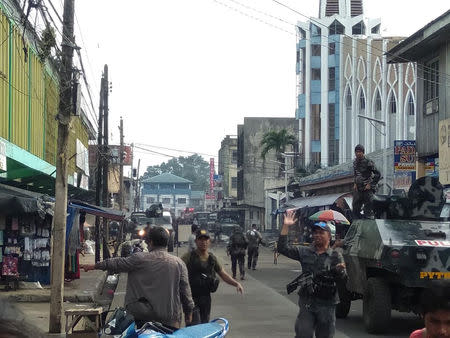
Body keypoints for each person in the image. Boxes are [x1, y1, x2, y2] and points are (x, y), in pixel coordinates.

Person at [81, 226, 194, 328]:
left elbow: (116, 263)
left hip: (141, 316)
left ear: (151, 242)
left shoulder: (139, 259)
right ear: (167, 243)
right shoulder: (179, 263)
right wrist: (188, 312)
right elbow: (186, 292)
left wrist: (94, 266)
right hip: (169, 318)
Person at [278, 210, 347, 338]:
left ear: (329, 236)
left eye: (321, 232)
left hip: (327, 304)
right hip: (307, 302)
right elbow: (283, 248)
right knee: (303, 333)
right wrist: (286, 226)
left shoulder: (336, 256)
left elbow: (343, 279)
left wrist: (339, 271)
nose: (317, 235)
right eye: (315, 232)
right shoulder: (305, 251)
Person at [182, 229, 244, 324]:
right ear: (196, 241)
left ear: (209, 241)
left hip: (206, 298)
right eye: (200, 239)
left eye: (206, 239)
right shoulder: (188, 257)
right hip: (191, 298)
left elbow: (223, 274)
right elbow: (177, 271)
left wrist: (236, 284)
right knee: (194, 325)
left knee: (205, 325)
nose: (203, 242)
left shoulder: (212, 259)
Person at [352, 144, 381, 219]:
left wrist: (370, 185)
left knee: (368, 209)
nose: (358, 153)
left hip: (367, 189)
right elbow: (355, 173)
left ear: (363, 152)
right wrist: (355, 183)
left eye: (360, 151)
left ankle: (368, 224)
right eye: (356, 151)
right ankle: (357, 223)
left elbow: (378, 174)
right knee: (355, 208)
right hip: (358, 189)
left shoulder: (368, 161)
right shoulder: (355, 162)